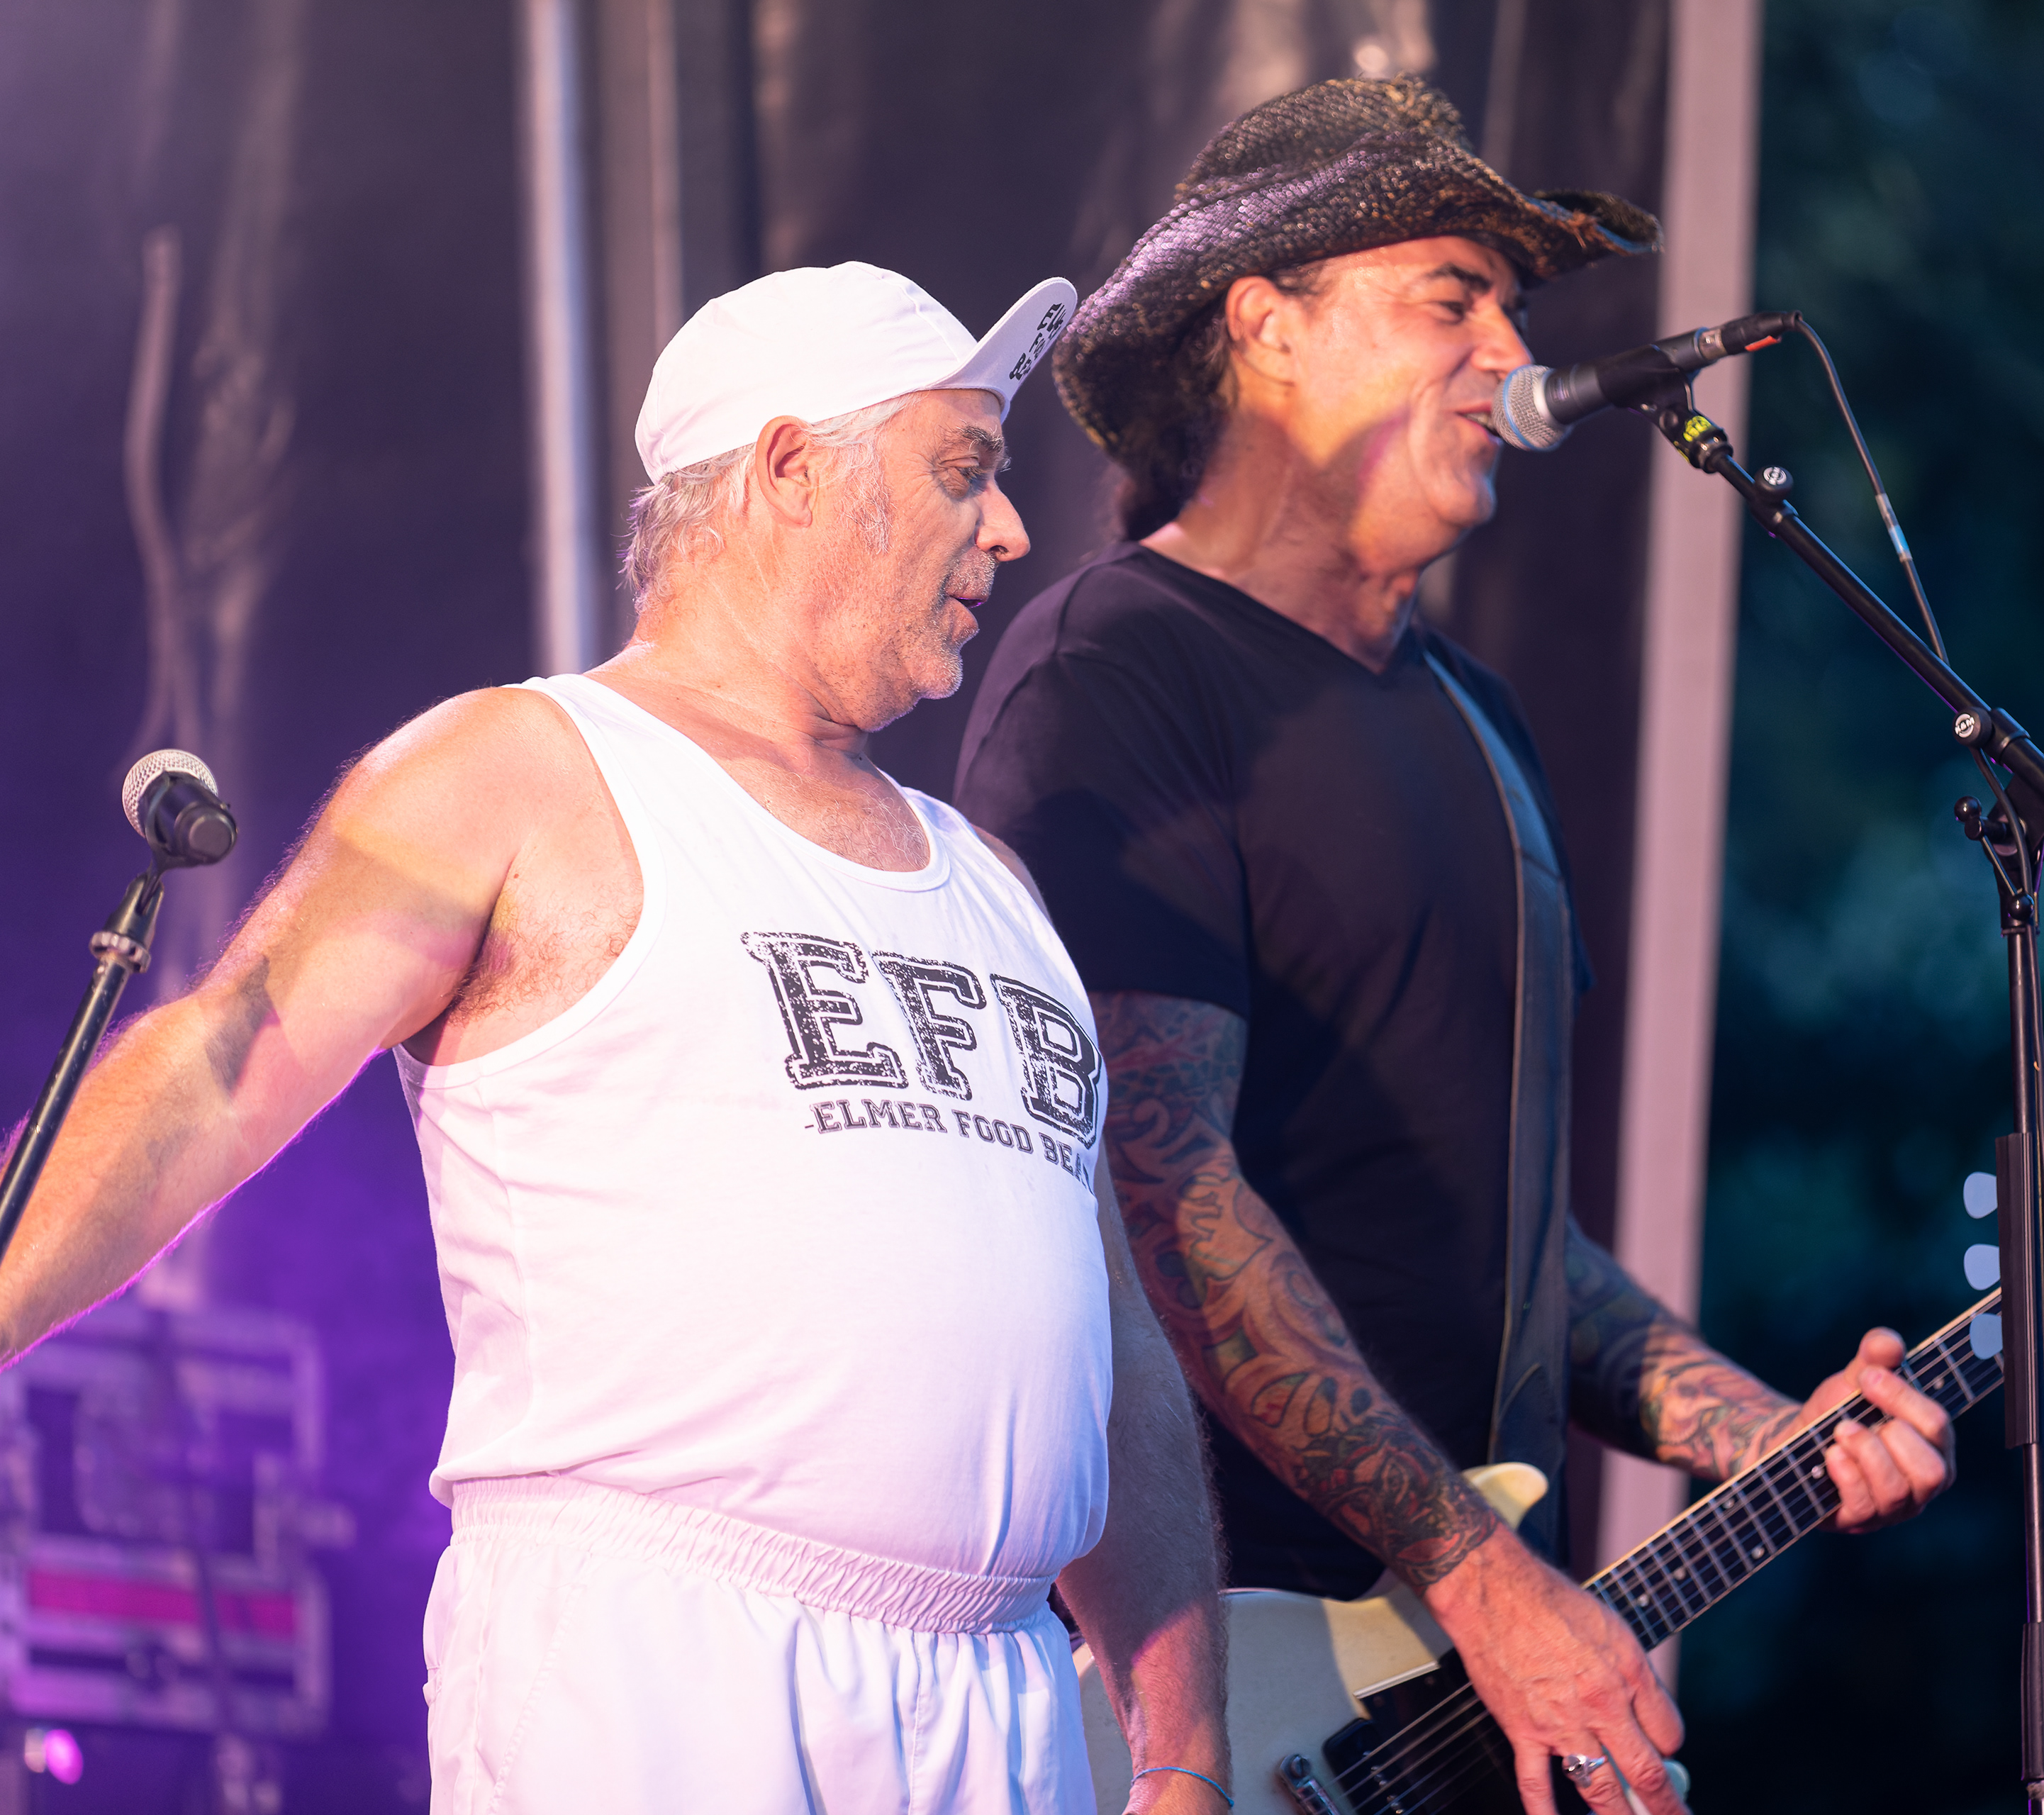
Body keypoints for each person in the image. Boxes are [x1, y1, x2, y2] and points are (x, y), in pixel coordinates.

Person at [0, 264, 1228, 1815]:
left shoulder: (995, 887)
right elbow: (213, 1065)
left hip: (998, 1706)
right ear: (791, 469)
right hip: (660, 1668)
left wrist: (1184, 1743)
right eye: (963, 468)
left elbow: (1107, 1342)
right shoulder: (522, 769)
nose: (1010, 528)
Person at [956, 78, 1955, 1815]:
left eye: (1514, 307)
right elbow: (1156, 1185)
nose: (1512, 351)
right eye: (1453, 297)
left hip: (1464, 1690)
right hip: (1222, 1686)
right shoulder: (1116, 668)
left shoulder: (1478, 724)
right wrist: (1486, 1579)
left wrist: (1755, 1427)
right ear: (1267, 326)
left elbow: (1506, 1236)